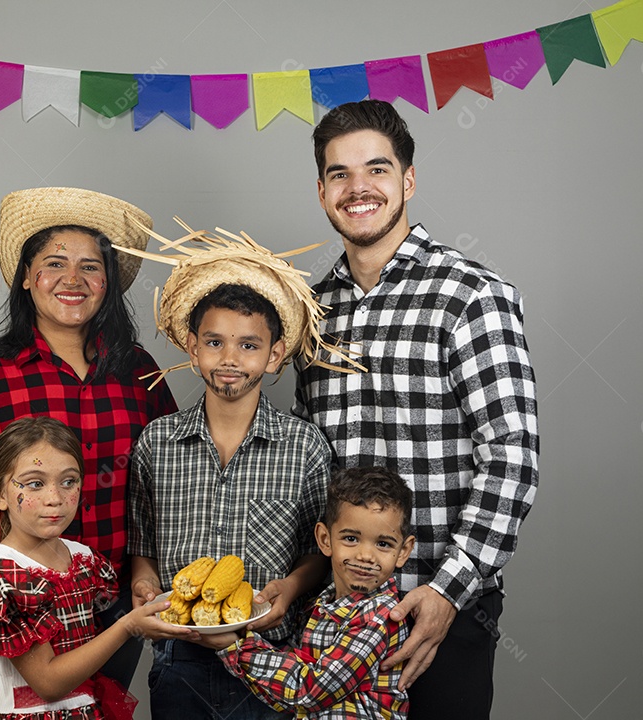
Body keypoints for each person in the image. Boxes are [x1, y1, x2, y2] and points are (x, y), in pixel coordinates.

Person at [295, 100, 539, 719]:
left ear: (407, 180)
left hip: (439, 601)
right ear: (321, 191)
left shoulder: (471, 295)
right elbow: (307, 463)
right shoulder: (310, 313)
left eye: (376, 170)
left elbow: (512, 458)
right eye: (340, 174)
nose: (359, 189)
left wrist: (449, 592)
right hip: (336, 609)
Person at [0, 187, 179, 720]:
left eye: (90, 267)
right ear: (27, 277)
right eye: (54, 264)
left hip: (113, 602)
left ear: (109, 282)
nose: (72, 280)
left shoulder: (139, 372)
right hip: (16, 605)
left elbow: (164, 486)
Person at [122, 223, 360, 720]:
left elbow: (319, 551)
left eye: (249, 346)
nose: (230, 359)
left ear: (275, 355)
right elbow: (141, 545)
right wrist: (144, 588)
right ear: (192, 347)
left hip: (273, 657)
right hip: (179, 657)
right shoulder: (157, 444)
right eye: (215, 342)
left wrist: (291, 588)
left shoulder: (304, 446)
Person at [0, 416, 195, 720]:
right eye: (35, 483)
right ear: (0, 495)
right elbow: (48, 683)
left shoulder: (84, 559)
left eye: (68, 481)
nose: (55, 498)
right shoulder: (5, 575)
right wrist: (129, 626)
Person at [204, 466, 416, 719]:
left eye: (383, 544)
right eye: (350, 538)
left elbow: (310, 692)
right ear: (325, 539)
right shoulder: (317, 607)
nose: (365, 556)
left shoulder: (379, 617)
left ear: (403, 551)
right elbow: (286, 697)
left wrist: (239, 647)